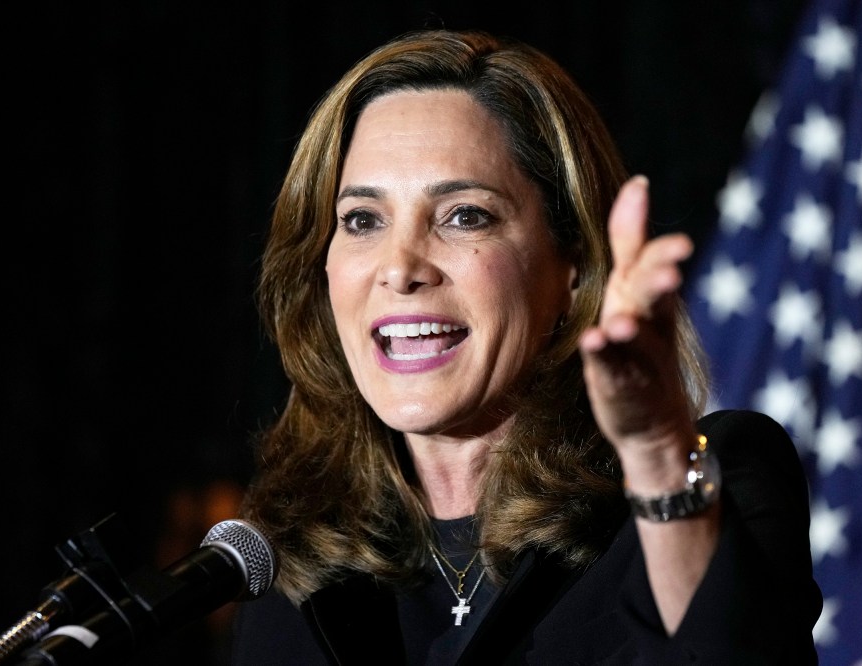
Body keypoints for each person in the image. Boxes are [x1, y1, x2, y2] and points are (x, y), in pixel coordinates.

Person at [231, 28, 822, 665]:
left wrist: (655, 454)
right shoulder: (292, 562)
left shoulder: (704, 486)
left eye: (464, 215)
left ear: (571, 267)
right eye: (362, 220)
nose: (399, 268)